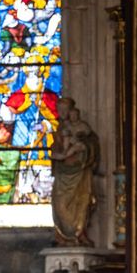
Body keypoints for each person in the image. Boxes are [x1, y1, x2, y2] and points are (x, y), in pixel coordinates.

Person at [51, 97, 99, 247]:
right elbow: (56, 150)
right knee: (60, 203)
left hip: (79, 172)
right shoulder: (59, 129)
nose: (63, 113)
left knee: (82, 201)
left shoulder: (82, 128)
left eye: (65, 110)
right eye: (60, 110)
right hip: (62, 173)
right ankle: (63, 235)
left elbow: (91, 145)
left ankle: (79, 233)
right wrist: (59, 154)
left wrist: (82, 147)